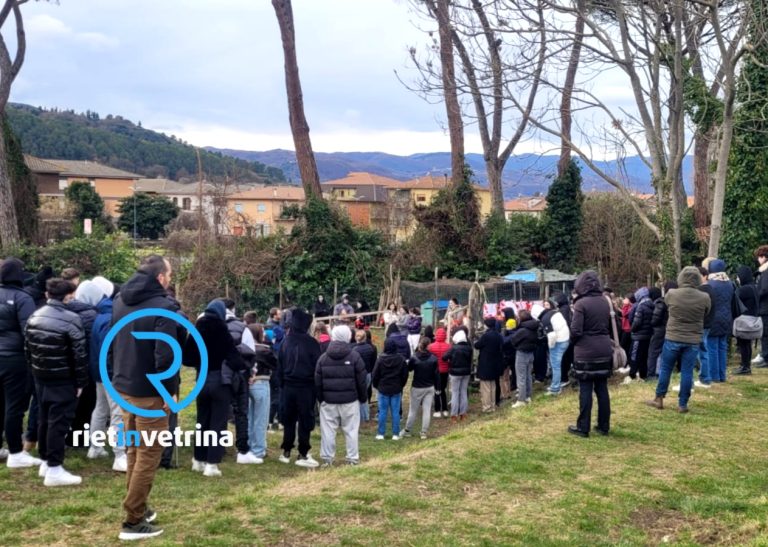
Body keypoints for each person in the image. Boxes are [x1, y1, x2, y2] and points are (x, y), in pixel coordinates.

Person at [111, 255, 178, 540]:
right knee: (148, 457)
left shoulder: (120, 301)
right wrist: (168, 390)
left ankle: (138, 507)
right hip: (151, 395)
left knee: (134, 452)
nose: (171, 279)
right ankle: (133, 520)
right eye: (170, 275)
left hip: (124, 388)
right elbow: (166, 356)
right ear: (161, 278)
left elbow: (113, 343)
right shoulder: (165, 308)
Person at [25, 278, 88, 485]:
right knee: (58, 423)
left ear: (47, 295)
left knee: (44, 419)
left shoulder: (34, 316)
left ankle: (45, 460)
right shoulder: (72, 319)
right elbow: (79, 355)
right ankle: (54, 467)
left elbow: (28, 349)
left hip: (41, 377)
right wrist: (80, 383)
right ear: (69, 296)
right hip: (63, 380)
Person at [184, 300, 246, 477]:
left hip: (201, 381)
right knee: (218, 423)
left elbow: (186, 358)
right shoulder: (222, 329)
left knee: (202, 421)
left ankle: (198, 459)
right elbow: (234, 358)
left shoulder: (196, 329)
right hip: (219, 380)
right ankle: (212, 464)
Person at [646, 267, 711, 413]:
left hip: (672, 337)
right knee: (687, 371)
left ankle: (659, 398)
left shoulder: (672, 294)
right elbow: (707, 312)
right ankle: (682, 404)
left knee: (665, 368)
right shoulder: (704, 297)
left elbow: (667, 306)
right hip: (693, 339)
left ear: (681, 278)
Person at [0, 258, 39, 469]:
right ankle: (16, 451)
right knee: (14, 407)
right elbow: (29, 331)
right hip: (14, 359)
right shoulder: (22, 298)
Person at [86, 277, 128, 473]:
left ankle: (95, 447)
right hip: (111, 373)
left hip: (99, 373)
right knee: (117, 413)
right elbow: (110, 348)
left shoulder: (99, 316)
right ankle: (120, 454)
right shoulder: (110, 318)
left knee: (100, 409)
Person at [567, 271, 612, 437]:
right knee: (602, 389)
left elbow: (576, 330)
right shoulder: (605, 301)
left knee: (585, 389)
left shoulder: (581, 304)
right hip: (604, 347)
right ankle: (604, 425)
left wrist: (572, 343)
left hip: (586, 350)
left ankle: (583, 426)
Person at [315, 325, 366, 466]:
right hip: (350, 401)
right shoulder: (355, 356)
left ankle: (327, 458)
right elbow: (361, 380)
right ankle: (352, 458)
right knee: (351, 430)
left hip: (329, 402)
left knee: (328, 431)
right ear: (348, 337)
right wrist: (362, 398)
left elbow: (317, 381)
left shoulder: (323, 358)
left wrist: (321, 399)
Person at [276, 308, 322, 468]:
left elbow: (279, 366)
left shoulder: (285, 342)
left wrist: (281, 385)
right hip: (306, 387)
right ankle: (303, 452)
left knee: (288, 419)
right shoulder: (312, 343)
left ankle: (286, 450)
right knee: (305, 419)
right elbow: (317, 367)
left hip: (288, 387)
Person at [218, 299, 259, 465]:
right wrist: (251, 372)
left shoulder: (209, 326)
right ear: (233, 310)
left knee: (218, 413)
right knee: (241, 413)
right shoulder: (243, 329)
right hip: (239, 374)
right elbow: (251, 353)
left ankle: (217, 449)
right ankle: (242, 450)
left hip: (217, 374)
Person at [66, 280, 100, 450]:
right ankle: (80, 438)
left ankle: (67, 436)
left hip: (65, 365)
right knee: (87, 404)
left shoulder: (65, 309)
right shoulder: (93, 316)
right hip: (86, 365)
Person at [242, 323, 276, 464]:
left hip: (247, 384)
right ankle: (259, 450)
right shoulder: (265, 350)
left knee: (249, 417)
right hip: (261, 382)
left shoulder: (244, 349)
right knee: (261, 419)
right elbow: (276, 365)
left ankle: (248, 446)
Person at [372, 337, 408, 439]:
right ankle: (395, 434)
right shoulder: (401, 359)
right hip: (396, 388)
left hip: (383, 388)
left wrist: (377, 386)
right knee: (395, 412)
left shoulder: (380, 359)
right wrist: (401, 385)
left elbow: (375, 375)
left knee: (382, 411)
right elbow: (405, 375)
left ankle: (380, 434)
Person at [403, 337, 439, 439]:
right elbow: (437, 374)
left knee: (413, 410)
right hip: (429, 387)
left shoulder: (415, 358)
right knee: (427, 410)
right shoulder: (433, 358)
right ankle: (424, 432)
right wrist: (438, 387)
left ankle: (407, 430)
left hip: (417, 387)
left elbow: (409, 368)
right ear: (428, 346)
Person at [705, 259, 734, 383]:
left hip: (714, 319)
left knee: (711, 348)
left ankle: (714, 376)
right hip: (727, 318)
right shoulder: (730, 284)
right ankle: (722, 375)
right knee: (722, 347)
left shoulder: (710, 284)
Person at [510, 309, 539, 409]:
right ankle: (528, 396)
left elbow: (513, 340)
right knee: (528, 375)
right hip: (531, 353)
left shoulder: (522, 330)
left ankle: (521, 399)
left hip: (522, 353)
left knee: (521, 377)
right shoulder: (534, 327)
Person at [443, 329, 472, 421]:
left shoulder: (453, 348)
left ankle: (454, 415)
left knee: (455, 393)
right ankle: (463, 414)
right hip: (466, 373)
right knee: (463, 392)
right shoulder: (469, 348)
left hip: (455, 373)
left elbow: (444, 357)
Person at [474, 317, 503, 412]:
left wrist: (476, 339)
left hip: (486, 363)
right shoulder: (498, 335)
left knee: (485, 387)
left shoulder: (486, 335)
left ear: (487, 325)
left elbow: (477, 345)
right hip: (495, 363)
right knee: (493, 385)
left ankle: (487, 407)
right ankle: (493, 405)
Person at [734, 266, 759, 375]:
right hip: (753, 318)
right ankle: (746, 365)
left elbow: (735, 299)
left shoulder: (744, 289)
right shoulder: (753, 287)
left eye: (738, 276)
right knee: (747, 344)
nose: (737, 279)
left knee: (743, 344)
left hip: (744, 319)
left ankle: (745, 367)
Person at [694, 266, 715, 389]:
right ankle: (705, 377)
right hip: (707, 324)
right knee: (703, 350)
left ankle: (705, 378)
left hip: (702, 324)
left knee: (702, 352)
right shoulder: (710, 289)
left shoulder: (703, 290)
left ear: (705, 276)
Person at [351, 329, 377, 422]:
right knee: (365, 394)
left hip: (359, 375)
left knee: (358, 395)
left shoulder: (354, 350)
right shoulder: (370, 348)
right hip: (368, 373)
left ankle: (359, 416)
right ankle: (366, 415)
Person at [428, 327, 451, 418]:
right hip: (445, 371)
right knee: (443, 390)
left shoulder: (431, 347)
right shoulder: (449, 346)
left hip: (435, 371)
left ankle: (437, 410)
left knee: (436, 390)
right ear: (445, 336)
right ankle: (445, 409)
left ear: (436, 336)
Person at [754, 245, 768, 368]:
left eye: (759, 257)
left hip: (765, 307)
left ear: (763, 257)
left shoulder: (765, 272)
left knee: (765, 334)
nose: (758, 259)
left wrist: (756, 296)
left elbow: (764, 289)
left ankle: (766, 357)